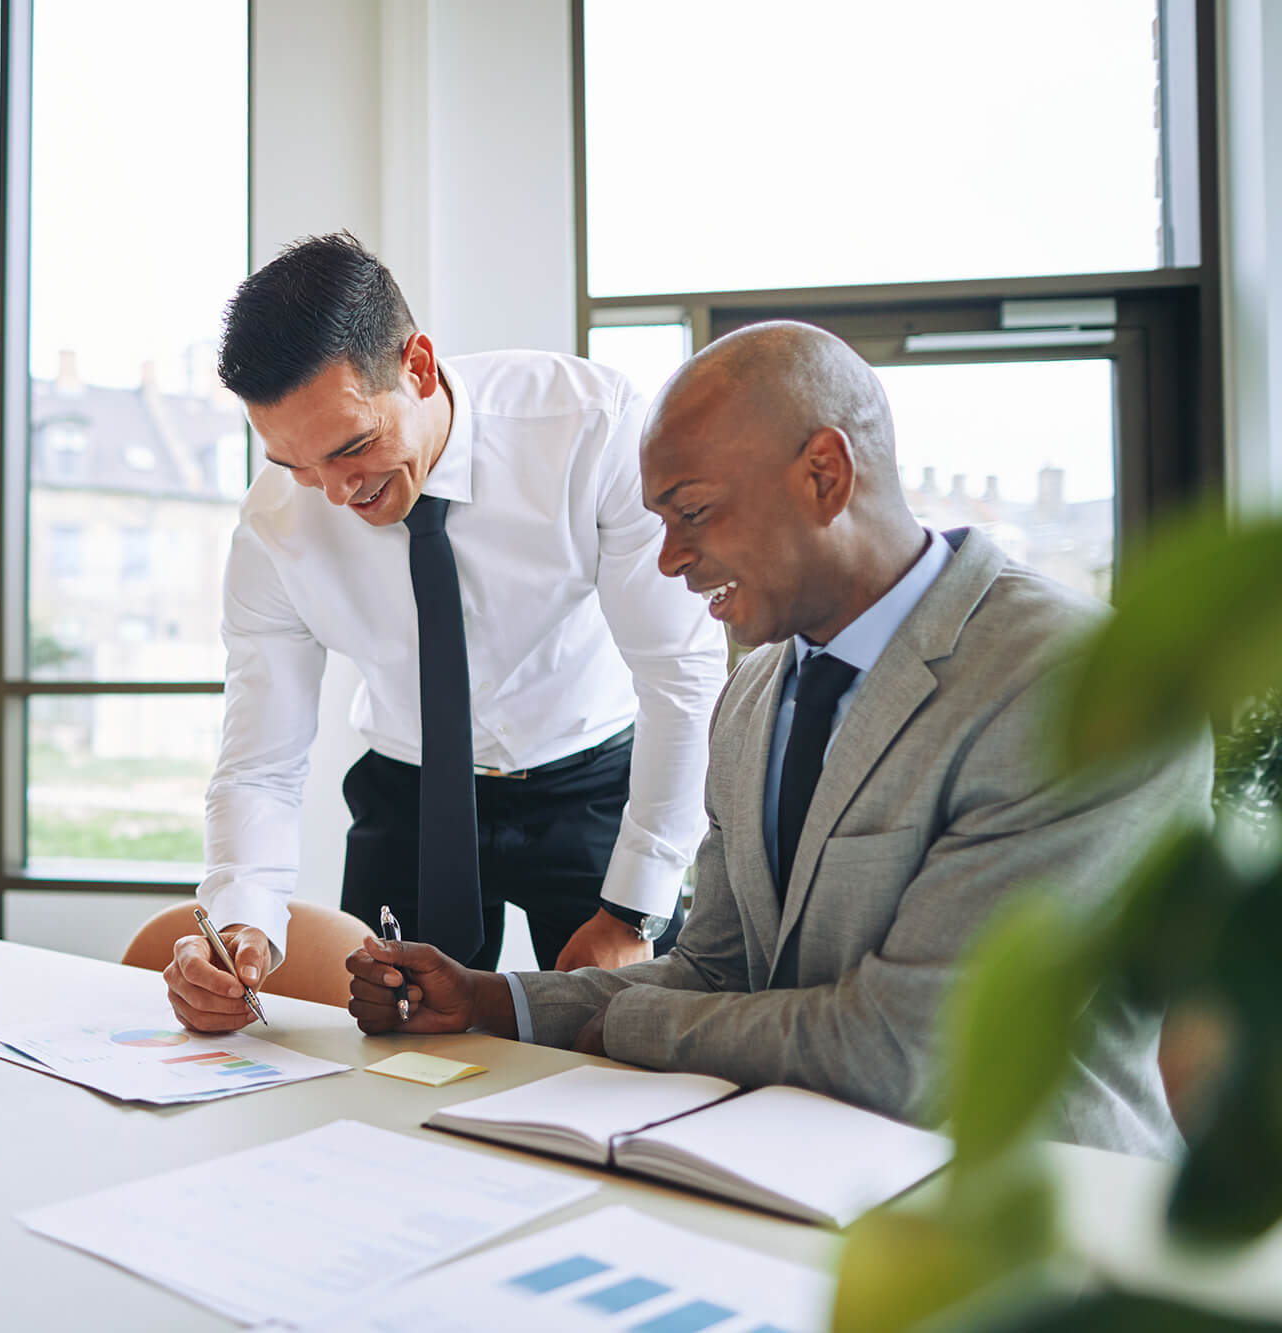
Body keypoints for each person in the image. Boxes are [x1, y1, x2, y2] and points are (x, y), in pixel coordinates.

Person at [345, 321, 1210, 1158]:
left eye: (693, 512)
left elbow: (910, 1049)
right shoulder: (755, 693)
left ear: (825, 475)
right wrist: (490, 999)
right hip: (809, 1184)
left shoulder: (1082, 684)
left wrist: (631, 1024)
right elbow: (716, 973)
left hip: (1042, 1224)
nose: (668, 559)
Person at [166, 232, 727, 1034]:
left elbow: (683, 677)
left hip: (590, 784)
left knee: (627, 1041)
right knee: (397, 1049)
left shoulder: (588, 430)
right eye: (297, 464)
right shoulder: (274, 527)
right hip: (412, 792)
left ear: (418, 367)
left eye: (354, 445)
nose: (336, 491)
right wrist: (241, 925)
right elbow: (261, 760)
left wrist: (635, 911)